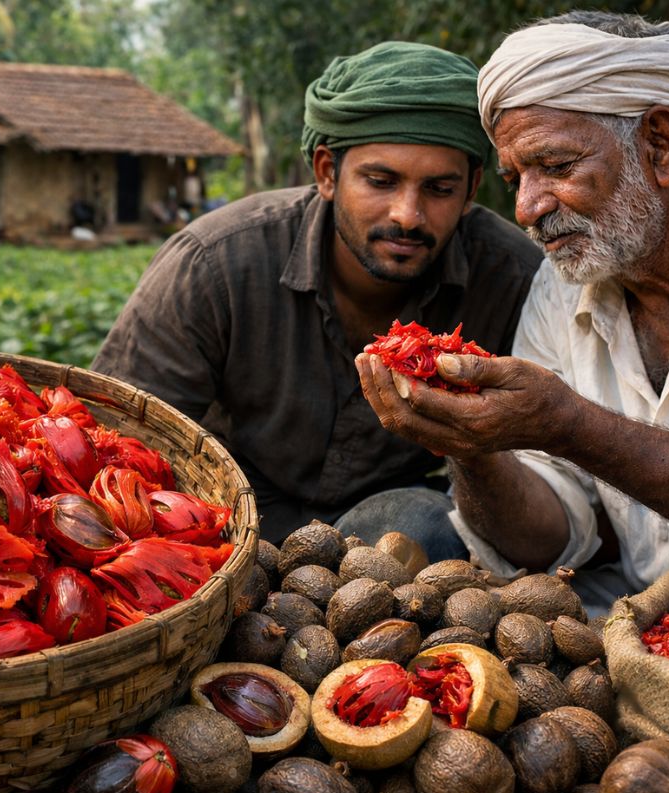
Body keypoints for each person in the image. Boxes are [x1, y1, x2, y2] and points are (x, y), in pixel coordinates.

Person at [356, 11, 669, 614]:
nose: (527, 208)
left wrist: (568, 424)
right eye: (515, 179)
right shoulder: (563, 283)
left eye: (556, 167)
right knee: (405, 525)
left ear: (660, 145)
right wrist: (472, 448)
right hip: (640, 616)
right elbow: (548, 536)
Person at [92, 42, 542, 549]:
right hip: (225, 511)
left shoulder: (514, 279)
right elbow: (119, 436)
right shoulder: (213, 263)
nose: (407, 215)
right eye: (381, 181)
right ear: (327, 173)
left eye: (439, 189)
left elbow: (554, 485)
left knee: (425, 524)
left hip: (384, 529)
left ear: (471, 189)